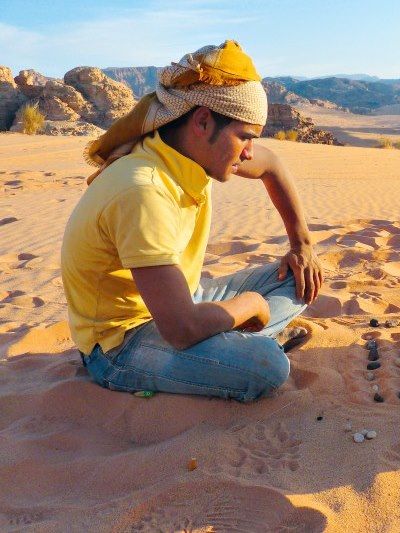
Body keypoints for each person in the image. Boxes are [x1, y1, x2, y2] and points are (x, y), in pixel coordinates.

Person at [61, 41, 323, 401]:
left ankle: (228, 341)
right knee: (267, 366)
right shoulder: (144, 190)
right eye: (244, 137)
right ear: (202, 120)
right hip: (121, 342)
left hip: (183, 298)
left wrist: (302, 246)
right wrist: (252, 306)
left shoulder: (192, 151)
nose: (248, 152)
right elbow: (181, 329)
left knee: (301, 278)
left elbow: (271, 165)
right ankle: (243, 340)